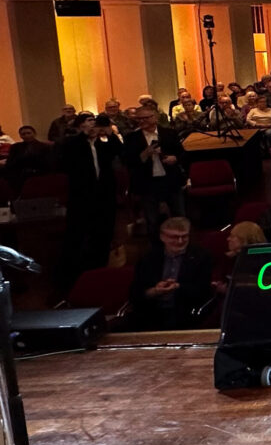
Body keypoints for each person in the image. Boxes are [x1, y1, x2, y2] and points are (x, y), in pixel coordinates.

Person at [56, 114, 123, 295]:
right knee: (79, 235)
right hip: (82, 197)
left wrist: (109, 133)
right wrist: (84, 136)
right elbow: (65, 163)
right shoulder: (72, 144)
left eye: (95, 123)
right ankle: (75, 277)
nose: (93, 126)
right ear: (79, 126)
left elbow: (120, 153)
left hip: (104, 196)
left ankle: (99, 271)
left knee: (104, 233)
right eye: (88, 123)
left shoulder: (105, 142)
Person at [129, 217, 213, 330]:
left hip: (186, 314)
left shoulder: (202, 257)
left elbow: (203, 290)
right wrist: (155, 291)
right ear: (162, 237)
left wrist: (178, 287)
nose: (180, 241)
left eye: (184, 236)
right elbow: (135, 293)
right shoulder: (148, 258)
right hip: (151, 314)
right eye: (174, 237)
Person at [122, 105, 187, 237]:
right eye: (139, 119)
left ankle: (183, 242)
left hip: (170, 180)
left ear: (155, 117)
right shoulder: (131, 138)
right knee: (152, 220)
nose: (142, 121)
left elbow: (182, 154)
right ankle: (156, 249)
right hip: (147, 184)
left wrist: (174, 158)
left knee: (179, 215)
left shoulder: (169, 133)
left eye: (145, 118)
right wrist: (144, 154)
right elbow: (128, 161)